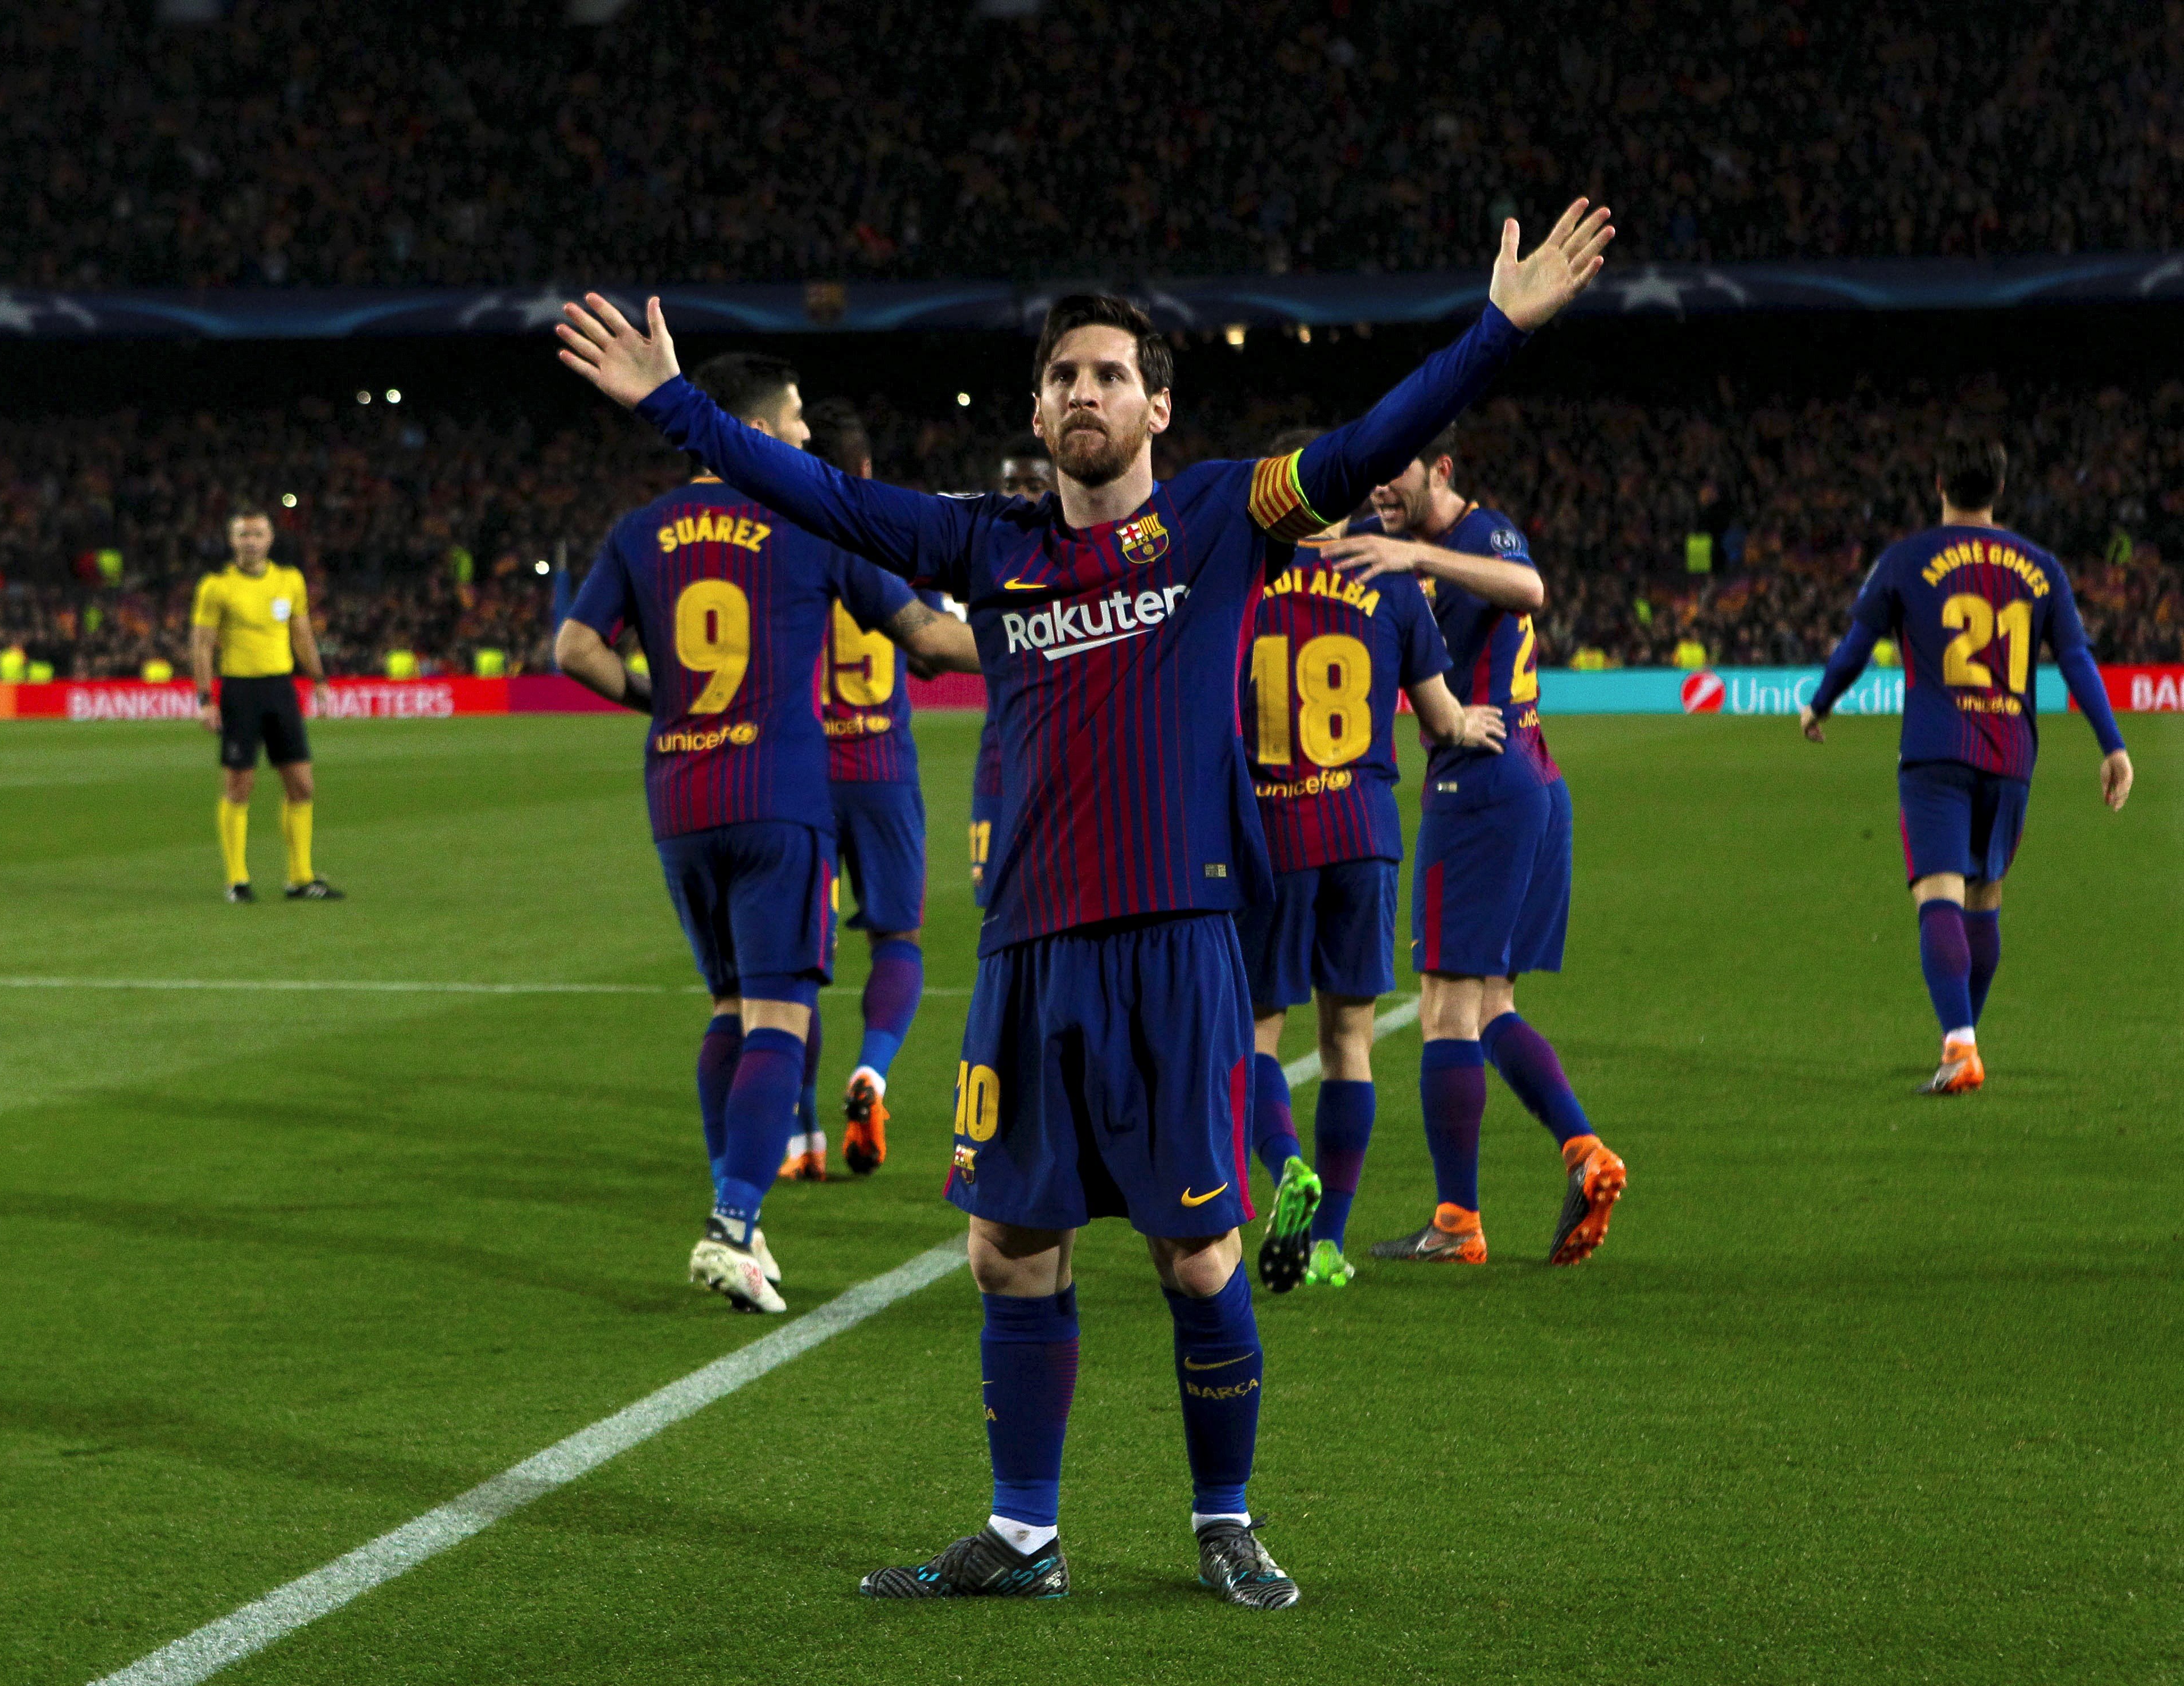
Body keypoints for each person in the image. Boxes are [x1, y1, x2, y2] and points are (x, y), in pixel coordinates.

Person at [556, 195, 1610, 1607]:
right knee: (1006, 1249)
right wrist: (673, 406)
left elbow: (1369, 440)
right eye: (1062, 376)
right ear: (1037, 410)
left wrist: (1499, 332)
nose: (1084, 393)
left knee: (1199, 1252)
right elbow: (820, 498)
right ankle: (1023, 1535)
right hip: (1027, 952)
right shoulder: (986, 545)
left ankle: (1225, 1521)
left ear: (1157, 406)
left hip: (1177, 944)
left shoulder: (1224, 513)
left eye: (1110, 373)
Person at [553, 352, 978, 1315]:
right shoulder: (808, 517)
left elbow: (574, 649)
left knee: (728, 1006)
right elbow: (925, 638)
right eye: (791, 419)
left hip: (679, 798)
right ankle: (732, 1222)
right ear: (751, 432)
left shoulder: (639, 529)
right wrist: (1048, 638)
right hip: (777, 795)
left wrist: (658, 701)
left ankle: (736, 1211)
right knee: (779, 1016)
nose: (804, 434)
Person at [1323, 429, 1631, 1270]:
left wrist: (1416, 555)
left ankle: (1457, 1219)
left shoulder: (1479, 533)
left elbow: (1528, 587)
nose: (1378, 490)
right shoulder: (1391, 539)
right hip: (1529, 781)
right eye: (1370, 477)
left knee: (1444, 1010)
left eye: (1394, 474)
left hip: (1480, 783)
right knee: (1490, 1006)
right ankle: (1583, 1151)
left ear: (1441, 470)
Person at [1233, 428, 1506, 1297]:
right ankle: (1326, 1246)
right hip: (1361, 833)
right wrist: (1467, 723)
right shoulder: (1386, 577)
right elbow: (1438, 714)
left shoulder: (1241, 576)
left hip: (1271, 832)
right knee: (1347, 1042)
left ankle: (1285, 1165)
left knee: (1253, 1037)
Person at [1798, 437, 2131, 1093]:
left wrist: (1819, 703)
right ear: (1999, 488)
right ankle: (1962, 1038)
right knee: (1983, 897)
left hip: (1935, 750)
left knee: (1938, 893)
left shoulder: (1906, 558)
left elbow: (1856, 646)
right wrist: (2111, 744)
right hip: (2010, 753)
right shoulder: (2040, 567)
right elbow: (2074, 659)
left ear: (1938, 482)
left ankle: (1958, 1044)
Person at [796, 395, 933, 1181]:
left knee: (791, 962)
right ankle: (871, 1073)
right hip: (881, 768)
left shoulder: (779, 540)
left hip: (799, 774)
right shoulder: (894, 540)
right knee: (897, 940)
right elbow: (929, 648)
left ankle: (800, 1137)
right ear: (867, 470)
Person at [191, 509, 342, 902]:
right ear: (232, 540)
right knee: (239, 785)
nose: (251, 542)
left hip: (281, 690)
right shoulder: (217, 587)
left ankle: (300, 878)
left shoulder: (290, 581)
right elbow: (202, 645)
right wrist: (206, 699)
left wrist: (319, 679)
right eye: (244, 535)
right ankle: (237, 880)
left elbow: (302, 635)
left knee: (302, 785)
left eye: (258, 534)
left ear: (271, 538)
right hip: (240, 691)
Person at [971, 450, 1057, 909]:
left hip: (1071, 774)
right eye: (1011, 486)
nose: (1021, 497)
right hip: (1001, 768)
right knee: (998, 917)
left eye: (1035, 486)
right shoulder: (981, 560)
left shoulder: (1097, 562)